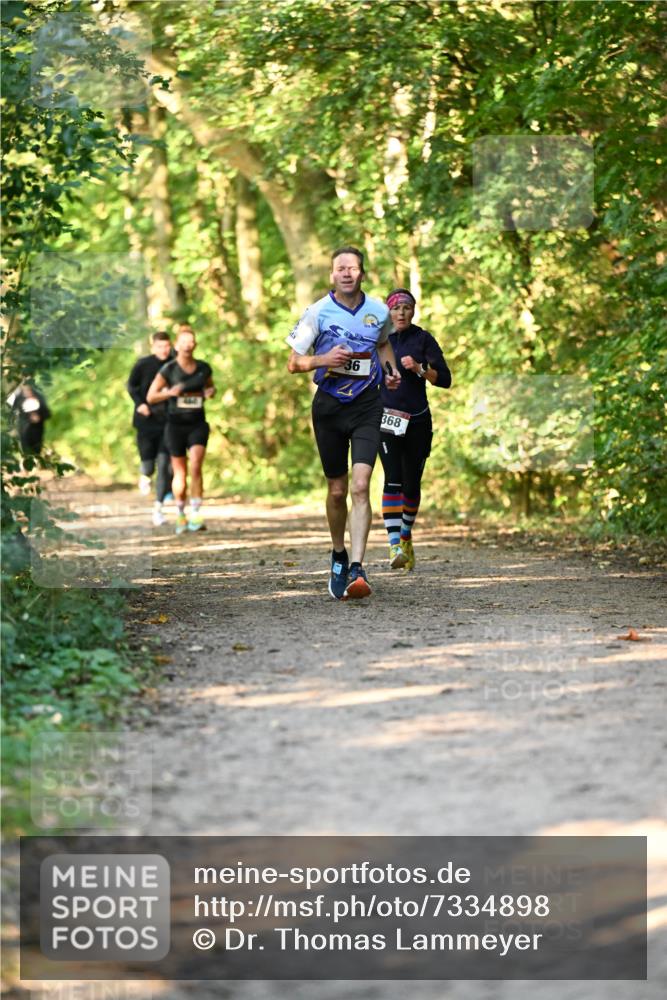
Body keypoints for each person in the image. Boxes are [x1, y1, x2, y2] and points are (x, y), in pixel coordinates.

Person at [286, 246, 401, 600]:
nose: (347, 273)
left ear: (362, 273)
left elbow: (383, 346)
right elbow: (294, 363)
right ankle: (338, 553)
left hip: (368, 406)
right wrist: (326, 358)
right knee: (337, 491)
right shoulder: (316, 312)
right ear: (332, 275)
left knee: (361, 486)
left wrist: (391, 370)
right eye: (340, 268)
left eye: (353, 267)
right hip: (330, 408)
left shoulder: (379, 310)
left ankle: (357, 566)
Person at [378, 288, 451, 571]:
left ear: (413, 311)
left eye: (406, 308)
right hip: (387, 419)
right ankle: (394, 544)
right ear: (388, 312)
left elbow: (445, 379)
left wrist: (420, 369)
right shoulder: (379, 341)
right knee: (392, 477)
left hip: (418, 420)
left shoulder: (423, 339)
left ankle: (406, 534)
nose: (401, 313)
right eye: (396, 308)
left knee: (411, 485)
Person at [146, 325, 215, 535]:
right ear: (177, 345)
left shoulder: (204, 368)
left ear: (195, 345)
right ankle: (181, 513)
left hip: (197, 424)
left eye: (191, 341)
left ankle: (196, 513)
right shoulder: (168, 370)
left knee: (195, 466)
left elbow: (210, 387)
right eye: (183, 341)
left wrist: (210, 392)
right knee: (180, 471)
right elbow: (151, 396)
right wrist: (170, 393)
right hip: (175, 425)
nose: (188, 344)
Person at [127, 331, 174, 526]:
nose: (164, 350)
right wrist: (140, 404)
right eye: (160, 347)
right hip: (146, 420)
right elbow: (131, 386)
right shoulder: (143, 364)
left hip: (168, 421)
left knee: (165, 465)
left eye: (167, 346)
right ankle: (145, 475)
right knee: (148, 464)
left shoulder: (175, 363)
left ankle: (158, 509)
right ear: (153, 347)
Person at [7, 382, 51, 455]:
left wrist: (39, 417)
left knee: (37, 448)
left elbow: (47, 412)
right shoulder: (18, 397)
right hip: (24, 429)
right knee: (26, 449)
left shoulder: (38, 396)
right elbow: (9, 408)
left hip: (37, 429)